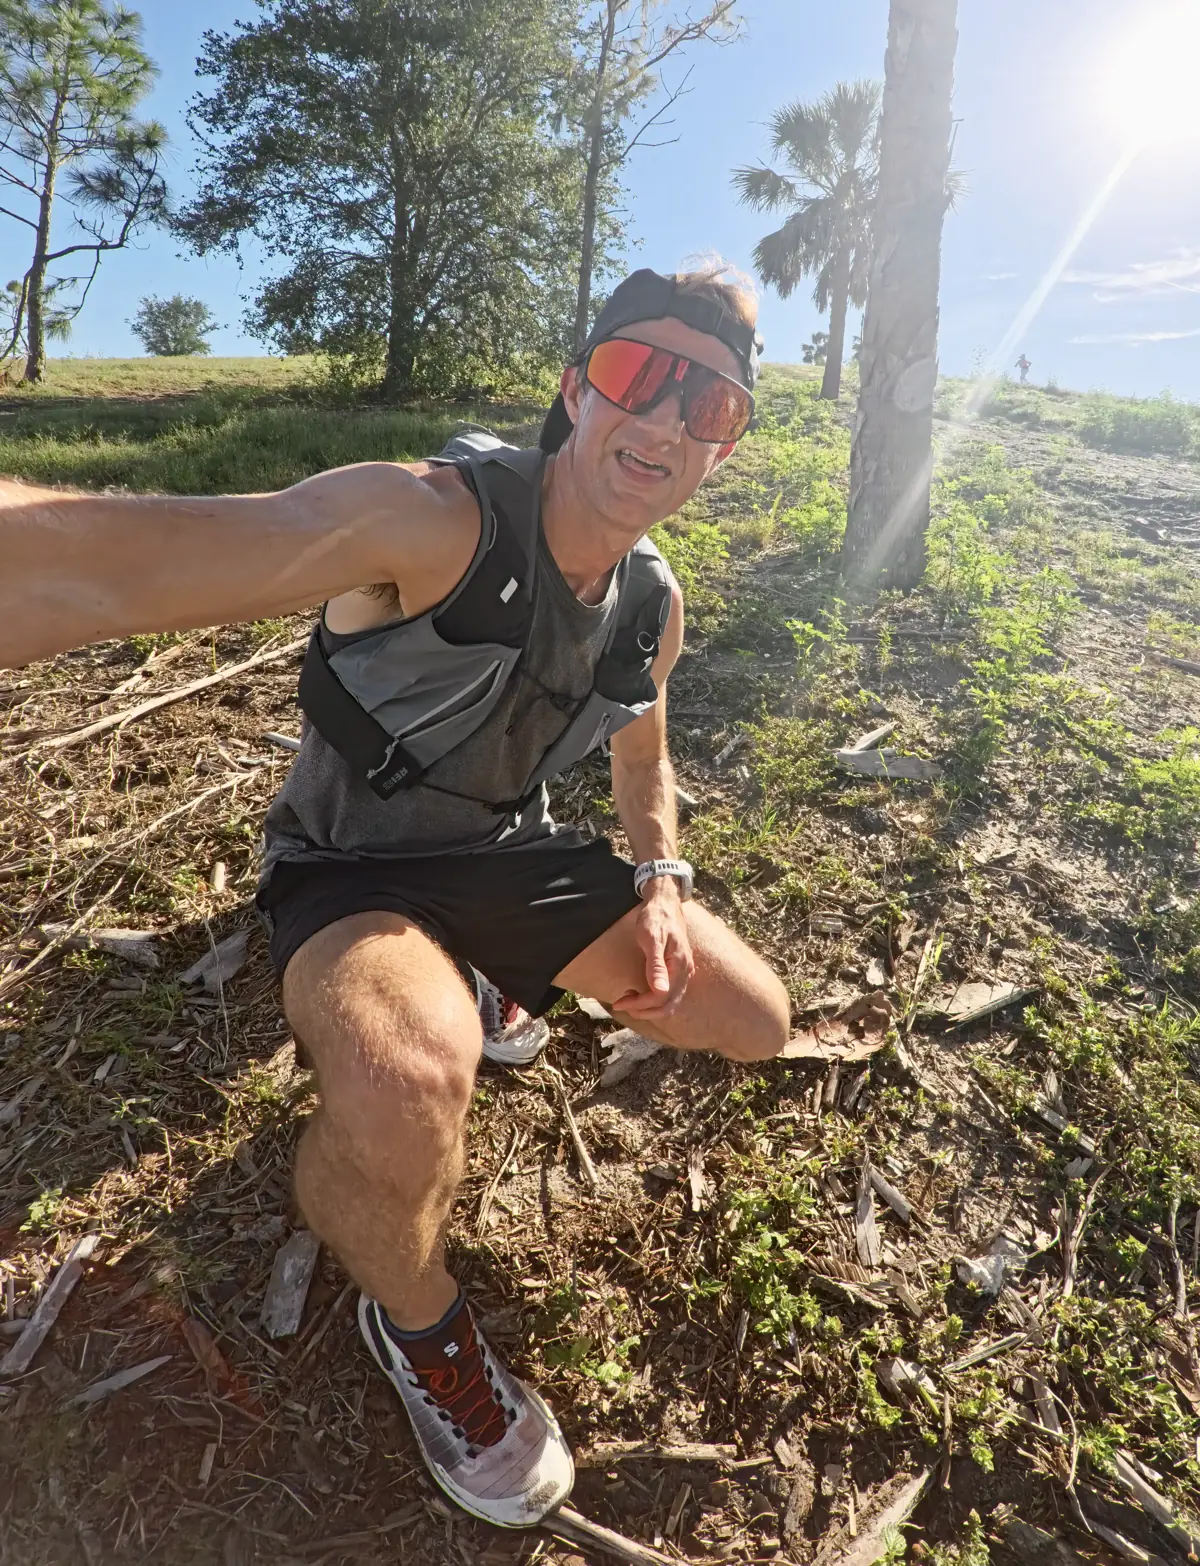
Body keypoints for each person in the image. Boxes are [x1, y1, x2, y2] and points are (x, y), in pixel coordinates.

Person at [0, 264, 791, 1527]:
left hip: (505, 852)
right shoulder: (434, 521)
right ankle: (419, 1327)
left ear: (726, 447)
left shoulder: (653, 603)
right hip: (351, 865)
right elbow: (127, 565)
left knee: (752, 1016)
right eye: (645, 375)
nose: (671, 420)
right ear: (579, 388)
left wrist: (657, 876)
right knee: (411, 1078)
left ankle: (484, 964)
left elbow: (644, 759)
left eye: (715, 406)